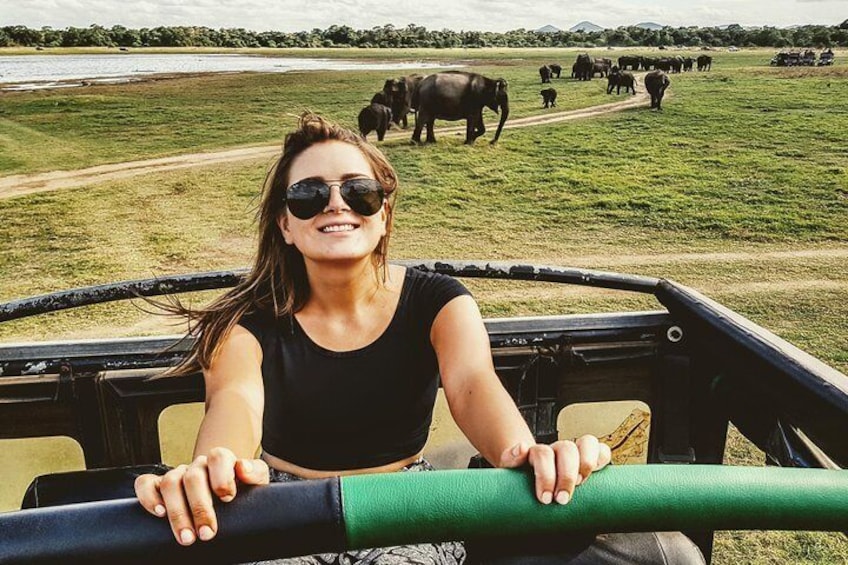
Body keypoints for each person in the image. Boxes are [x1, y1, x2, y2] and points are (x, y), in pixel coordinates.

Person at [134, 113, 703, 564]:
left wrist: (526, 452)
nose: (336, 203)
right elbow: (234, 402)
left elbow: (473, 384)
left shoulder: (439, 302)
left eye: (358, 191)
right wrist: (213, 466)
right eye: (308, 194)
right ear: (285, 223)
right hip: (283, 502)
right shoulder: (245, 321)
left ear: (383, 213)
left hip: (405, 500)